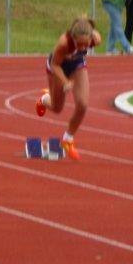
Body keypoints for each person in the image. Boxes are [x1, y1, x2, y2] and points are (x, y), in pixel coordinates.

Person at [35, 16, 102, 160]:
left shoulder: (95, 39)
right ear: (73, 38)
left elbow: (94, 39)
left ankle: (68, 139)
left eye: (86, 45)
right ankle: (44, 99)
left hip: (77, 64)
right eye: (79, 44)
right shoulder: (64, 43)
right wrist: (65, 82)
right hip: (57, 66)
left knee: (82, 104)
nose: (83, 48)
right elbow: (54, 65)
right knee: (57, 108)